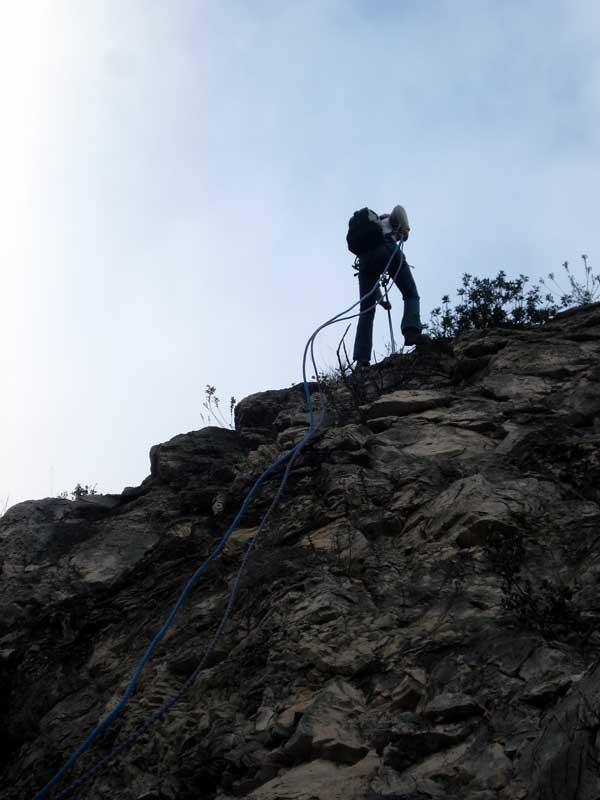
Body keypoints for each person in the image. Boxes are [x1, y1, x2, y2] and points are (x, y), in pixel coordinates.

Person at [352, 205, 428, 366]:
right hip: (387, 250)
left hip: (364, 262)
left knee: (366, 311)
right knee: (410, 293)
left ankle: (361, 359)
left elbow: (373, 285)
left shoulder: (371, 232)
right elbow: (399, 208)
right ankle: (411, 332)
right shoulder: (388, 220)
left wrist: (381, 301)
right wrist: (405, 229)